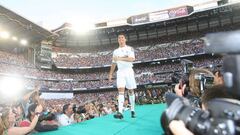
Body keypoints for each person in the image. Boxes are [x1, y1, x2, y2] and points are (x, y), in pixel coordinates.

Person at [108, 33, 136, 119]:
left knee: (130, 91)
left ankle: (132, 110)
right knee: (120, 90)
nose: (120, 39)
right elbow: (113, 63)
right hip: (120, 71)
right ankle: (120, 112)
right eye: (119, 38)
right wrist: (110, 73)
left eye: (122, 37)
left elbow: (132, 59)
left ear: (125, 39)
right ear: (118, 40)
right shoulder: (115, 51)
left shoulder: (129, 48)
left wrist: (120, 58)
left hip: (128, 70)